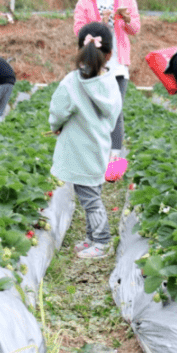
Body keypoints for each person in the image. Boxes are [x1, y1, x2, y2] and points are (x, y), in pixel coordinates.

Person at [49, 22, 123, 260]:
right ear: (109, 54)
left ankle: (102, 241)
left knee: (90, 199)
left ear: (79, 49)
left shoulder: (73, 82)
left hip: (80, 151)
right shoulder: (111, 82)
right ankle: (92, 237)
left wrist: (56, 126)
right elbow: (115, 115)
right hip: (99, 147)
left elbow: (59, 110)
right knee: (92, 193)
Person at [72, 0, 140, 162]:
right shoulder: (85, 2)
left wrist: (126, 19)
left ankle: (115, 157)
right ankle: (95, 153)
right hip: (94, 65)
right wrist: (101, 23)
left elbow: (135, 29)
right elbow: (79, 31)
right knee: (93, 109)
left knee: (115, 110)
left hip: (118, 64)